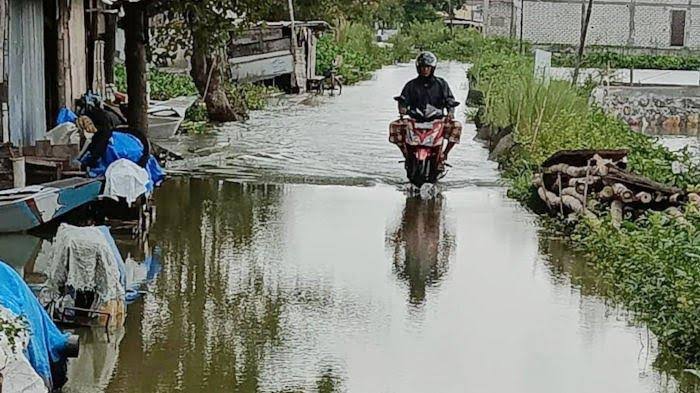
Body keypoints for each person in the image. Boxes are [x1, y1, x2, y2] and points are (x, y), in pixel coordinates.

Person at [389, 52, 462, 165]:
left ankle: (445, 153)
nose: (425, 70)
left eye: (427, 67)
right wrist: (402, 109)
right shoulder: (411, 85)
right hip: (415, 120)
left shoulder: (441, 84)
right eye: (423, 67)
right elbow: (403, 100)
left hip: (436, 120)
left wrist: (451, 112)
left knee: (457, 126)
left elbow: (450, 100)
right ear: (418, 68)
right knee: (394, 126)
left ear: (432, 68)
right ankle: (405, 153)